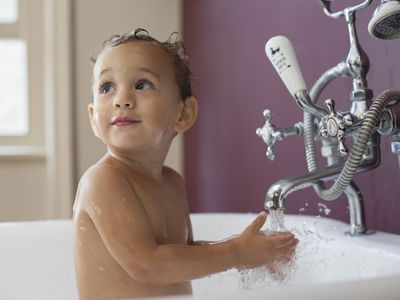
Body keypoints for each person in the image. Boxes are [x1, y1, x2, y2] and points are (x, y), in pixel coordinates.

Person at [73, 28, 298, 300]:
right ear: (92, 118)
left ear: (183, 113)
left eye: (142, 84)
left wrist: (250, 251)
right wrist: (236, 252)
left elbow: (184, 255)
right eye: (107, 87)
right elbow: (148, 265)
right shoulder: (103, 181)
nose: (122, 99)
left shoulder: (172, 182)